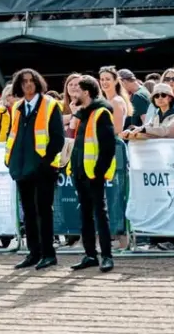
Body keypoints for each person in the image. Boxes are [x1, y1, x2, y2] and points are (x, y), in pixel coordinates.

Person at [7, 68, 64, 270]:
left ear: (38, 82)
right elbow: (11, 136)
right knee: (29, 213)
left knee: (43, 212)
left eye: (31, 81)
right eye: (23, 82)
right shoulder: (17, 107)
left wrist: (45, 161)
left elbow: (58, 138)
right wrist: (10, 160)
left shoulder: (50, 105)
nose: (28, 85)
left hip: (43, 169)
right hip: (22, 168)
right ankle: (34, 253)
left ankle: (49, 254)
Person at [68, 76, 115, 273]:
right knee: (85, 215)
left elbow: (108, 147)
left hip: (92, 173)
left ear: (86, 92)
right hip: (80, 171)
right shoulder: (82, 113)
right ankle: (90, 254)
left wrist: (98, 171)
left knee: (99, 214)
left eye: (77, 90)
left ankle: (106, 256)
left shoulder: (101, 113)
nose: (73, 94)